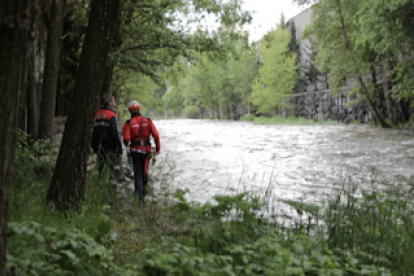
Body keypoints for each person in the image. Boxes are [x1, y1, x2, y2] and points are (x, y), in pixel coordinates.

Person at [123, 100, 160, 206]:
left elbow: (126, 138)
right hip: (147, 150)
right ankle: (144, 193)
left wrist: (126, 144)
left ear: (130, 111)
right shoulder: (148, 120)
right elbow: (156, 136)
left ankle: (139, 198)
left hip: (135, 151)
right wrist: (157, 149)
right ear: (139, 109)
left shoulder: (128, 123)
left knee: (138, 173)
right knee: (145, 171)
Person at [91, 94, 123, 181]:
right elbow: (114, 133)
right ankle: (113, 189)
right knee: (115, 168)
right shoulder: (111, 115)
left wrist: (93, 146)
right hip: (111, 148)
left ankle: (100, 187)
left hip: (100, 147)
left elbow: (94, 132)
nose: (115, 102)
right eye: (113, 101)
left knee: (101, 169)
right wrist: (119, 147)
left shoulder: (97, 114)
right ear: (109, 103)